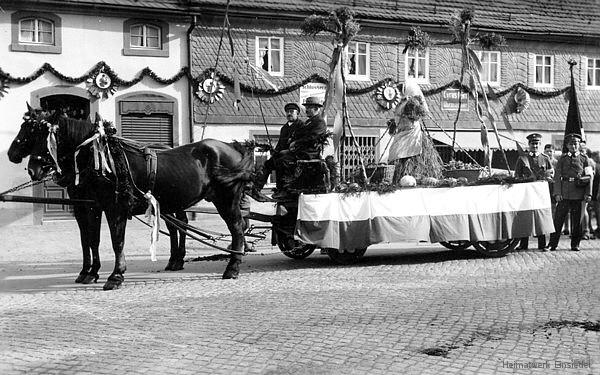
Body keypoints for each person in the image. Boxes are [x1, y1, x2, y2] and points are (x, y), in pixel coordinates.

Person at [273, 96, 328, 199]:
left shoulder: (319, 122)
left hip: (310, 152)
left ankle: (286, 188)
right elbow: (299, 135)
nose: (306, 110)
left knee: (283, 159)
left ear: (316, 109)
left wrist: (296, 143)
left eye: (309, 108)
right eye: (306, 107)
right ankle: (279, 188)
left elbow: (312, 138)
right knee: (278, 156)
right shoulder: (308, 122)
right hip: (302, 151)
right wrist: (292, 140)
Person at [546, 133, 594, 251]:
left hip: (578, 193)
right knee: (558, 220)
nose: (573, 146)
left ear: (579, 145)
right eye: (571, 144)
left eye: (576, 144)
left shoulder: (584, 159)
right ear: (567, 145)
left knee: (576, 221)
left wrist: (588, 193)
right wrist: (557, 193)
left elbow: (589, 177)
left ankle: (575, 244)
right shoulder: (562, 159)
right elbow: (557, 177)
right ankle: (552, 244)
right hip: (564, 193)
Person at [253, 102, 304, 197]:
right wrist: (275, 151)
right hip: (283, 154)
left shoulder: (301, 126)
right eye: (287, 112)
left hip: (295, 155)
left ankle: (283, 189)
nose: (289, 114)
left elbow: (302, 142)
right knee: (268, 163)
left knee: (281, 162)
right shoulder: (284, 128)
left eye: (292, 111)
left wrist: (289, 150)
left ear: (297, 113)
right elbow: (280, 143)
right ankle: (257, 188)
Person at [514, 133, 554, 250]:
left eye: (537, 144)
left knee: (540, 216)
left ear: (540, 144)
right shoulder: (522, 158)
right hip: (526, 192)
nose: (535, 146)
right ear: (529, 144)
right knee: (525, 215)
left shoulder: (545, 158)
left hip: (540, 193)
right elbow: (517, 175)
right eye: (532, 144)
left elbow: (551, 173)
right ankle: (523, 244)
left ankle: (542, 244)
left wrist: (547, 177)